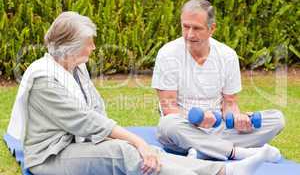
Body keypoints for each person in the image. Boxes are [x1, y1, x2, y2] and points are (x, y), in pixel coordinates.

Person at [7, 11, 281, 175]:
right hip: (51, 158)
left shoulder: (75, 68)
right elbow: (87, 121)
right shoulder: (45, 79)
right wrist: (137, 142)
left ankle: (222, 169)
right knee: (126, 152)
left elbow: (96, 109)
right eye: (89, 44)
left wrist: (135, 142)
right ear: (70, 46)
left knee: (133, 147)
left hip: (77, 144)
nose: (93, 49)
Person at [151, 0, 285, 161]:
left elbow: (230, 103)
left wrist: (237, 118)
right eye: (185, 27)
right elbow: (168, 107)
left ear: (211, 29)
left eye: (197, 28)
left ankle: (203, 150)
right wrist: (198, 120)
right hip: (183, 128)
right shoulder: (167, 53)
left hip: (219, 129)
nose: (189, 34)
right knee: (168, 124)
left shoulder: (227, 55)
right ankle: (235, 152)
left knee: (277, 119)